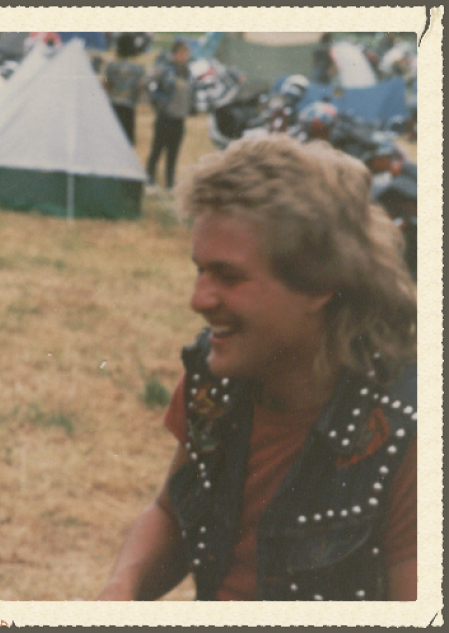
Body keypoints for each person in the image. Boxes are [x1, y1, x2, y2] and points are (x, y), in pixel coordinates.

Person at [98, 134, 417, 601]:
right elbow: (171, 513)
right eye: (199, 270)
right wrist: (121, 589)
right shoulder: (214, 378)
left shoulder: (409, 431)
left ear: (320, 282)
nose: (198, 300)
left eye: (229, 277)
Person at [146, 41, 194, 190]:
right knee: (157, 150)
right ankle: (150, 181)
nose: (183, 57)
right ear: (174, 55)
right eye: (180, 53)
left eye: (185, 54)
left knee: (173, 153)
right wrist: (157, 102)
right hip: (165, 116)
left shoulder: (188, 73)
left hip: (179, 118)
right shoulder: (164, 70)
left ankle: (170, 183)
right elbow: (147, 83)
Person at [104, 34, 145, 145]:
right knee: (127, 140)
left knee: (112, 139)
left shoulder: (111, 65)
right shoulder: (137, 66)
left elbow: (107, 84)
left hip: (114, 104)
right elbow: (139, 87)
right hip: (128, 105)